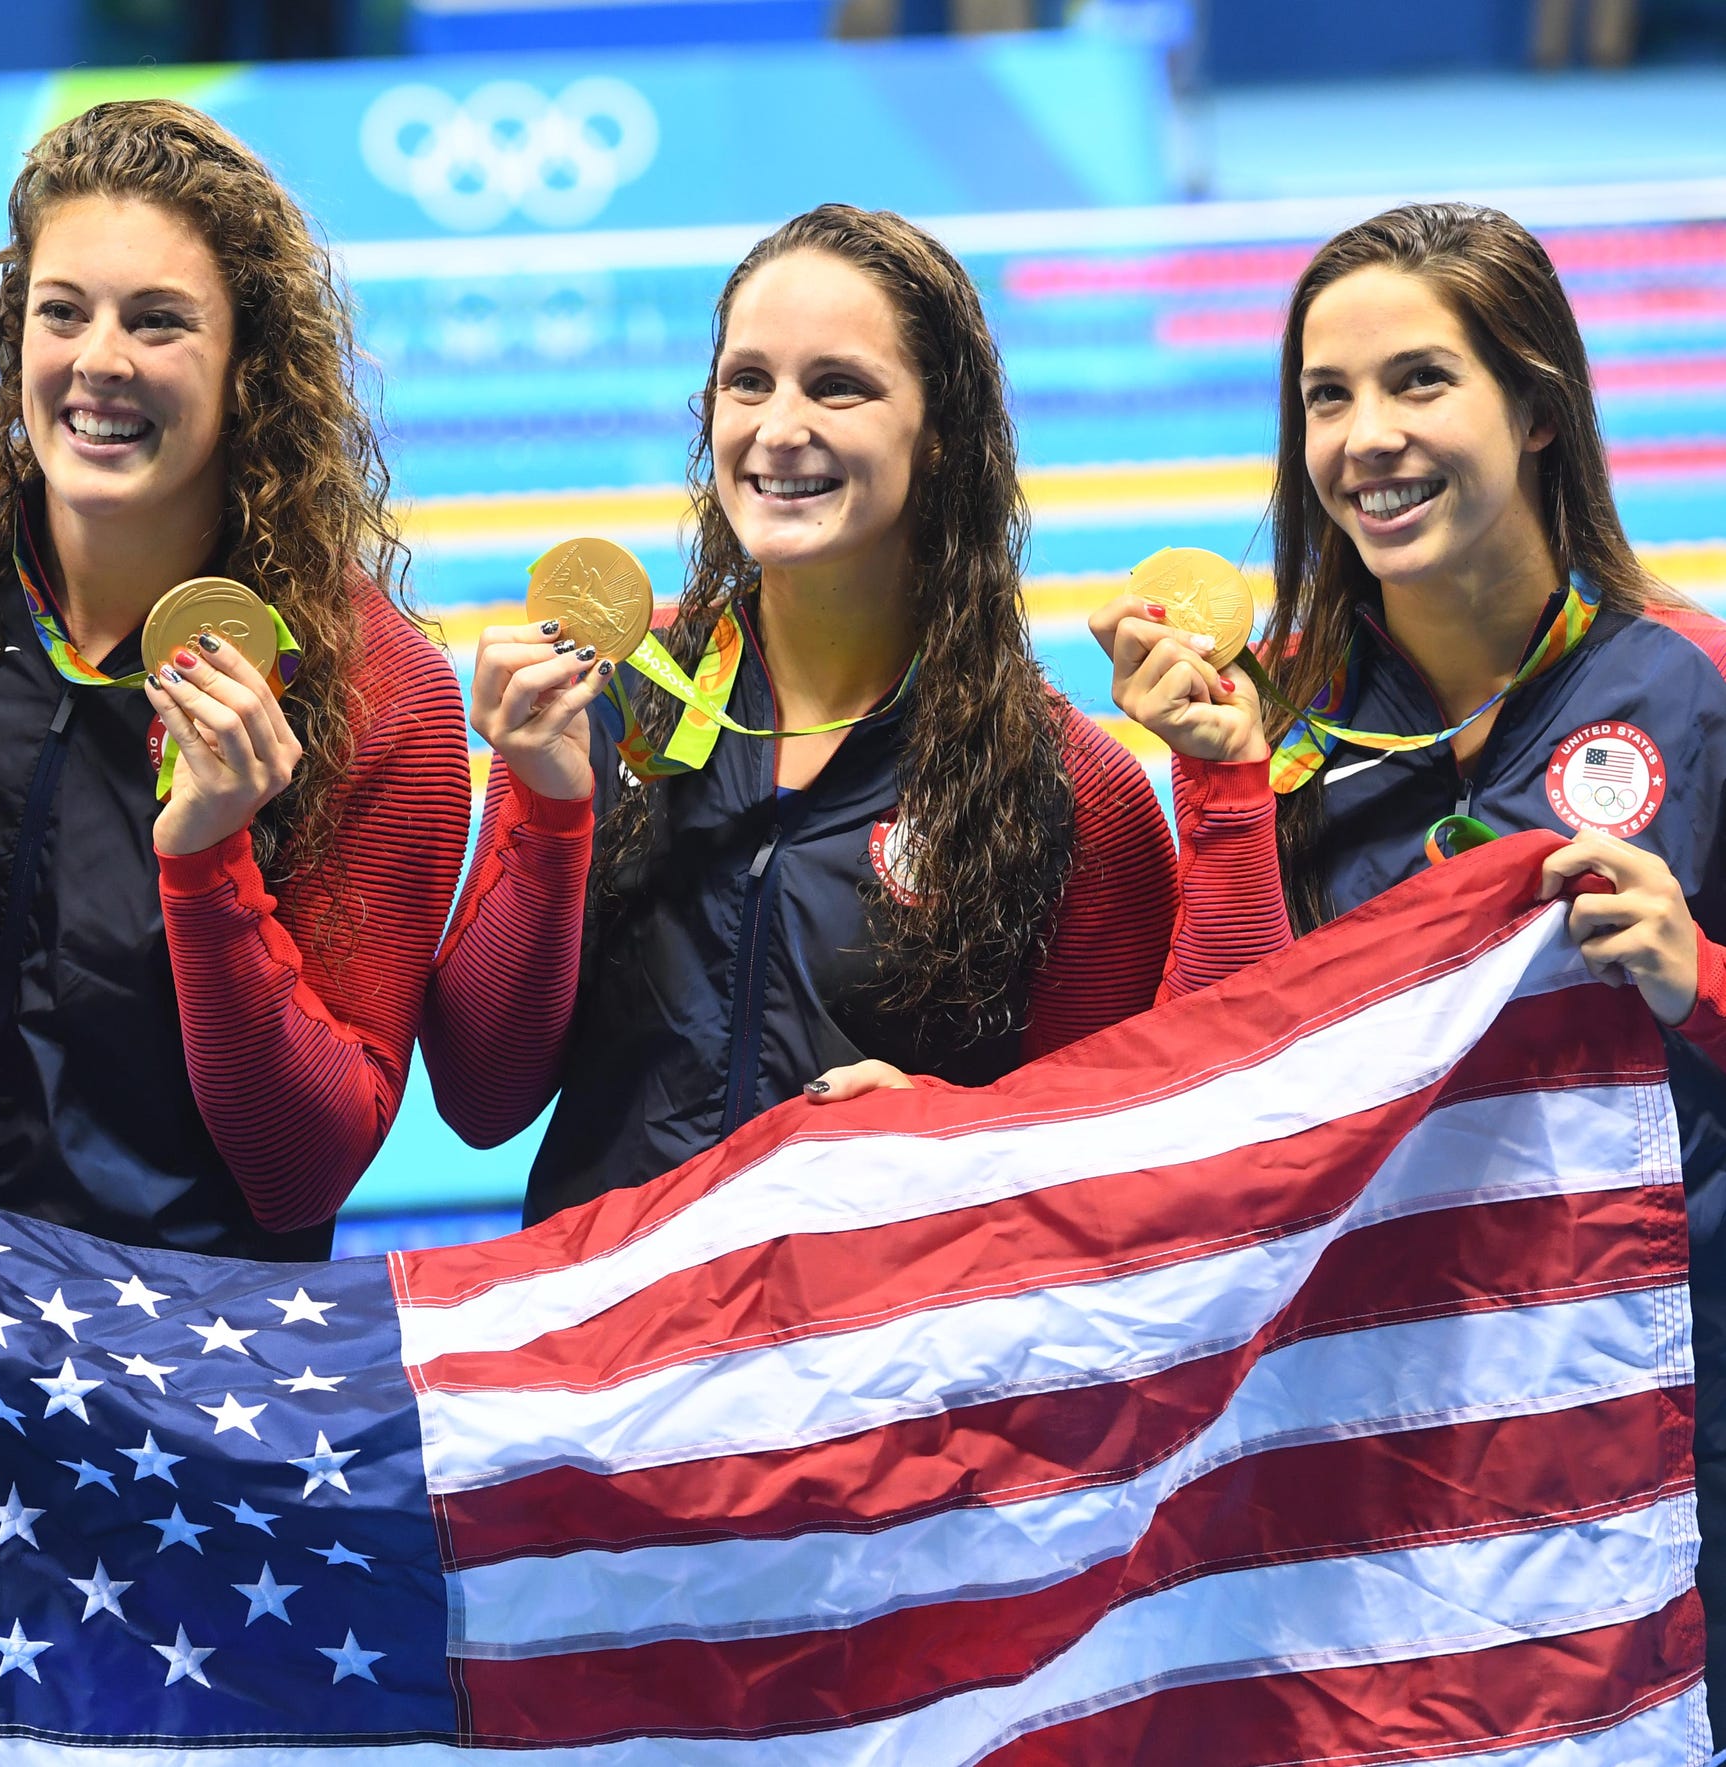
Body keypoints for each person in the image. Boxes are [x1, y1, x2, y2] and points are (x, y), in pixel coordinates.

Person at [1089, 200, 1726, 1725]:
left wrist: (1694, 973)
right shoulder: (1278, 714)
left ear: (1536, 408)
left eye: (1418, 381)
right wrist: (1228, 793)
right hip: (1381, 1409)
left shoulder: (1687, 681)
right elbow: (1218, 1078)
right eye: (1326, 396)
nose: (1365, 436)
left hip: (1658, 1387)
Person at [0, 101, 470, 1259]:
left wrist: (208, 866)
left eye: (158, 322)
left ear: (249, 366)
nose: (99, 360)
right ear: (14, 334)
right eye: (63, 312)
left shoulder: (377, 693)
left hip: (175, 1375)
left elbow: (304, 1169)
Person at [424, 204, 1177, 1223]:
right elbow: (478, 1096)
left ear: (943, 436)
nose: (779, 430)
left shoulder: (1072, 788)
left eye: (839, 387)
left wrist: (957, 1132)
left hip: (875, 1360)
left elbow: (1122, 1166)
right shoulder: (602, 699)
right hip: (613, 1347)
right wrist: (550, 813)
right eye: (748, 382)